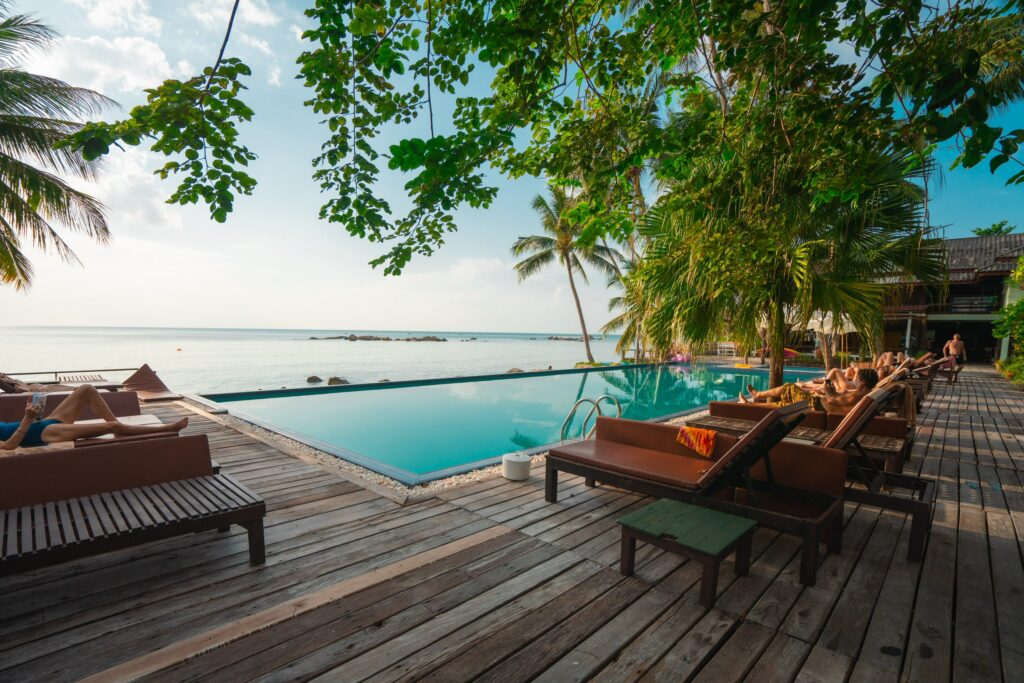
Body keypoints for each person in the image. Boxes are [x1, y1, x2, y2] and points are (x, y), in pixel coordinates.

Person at [0, 385, 187, 451]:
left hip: (44, 422)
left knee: (86, 389)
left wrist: (32, 415)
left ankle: (119, 425)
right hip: (46, 433)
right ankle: (168, 428)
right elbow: (9, 446)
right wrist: (26, 419)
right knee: (111, 426)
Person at [742, 368, 880, 413]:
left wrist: (827, 390)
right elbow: (838, 401)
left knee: (788, 388)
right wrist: (831, 391)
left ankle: (757, 394)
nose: (854, 381)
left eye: (857, 379)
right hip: (818, 405)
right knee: (784, 406)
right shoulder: (863, 395)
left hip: (816, 406)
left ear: (862, 381)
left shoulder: (858, 396)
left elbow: (832, 400)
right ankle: (751, 405)